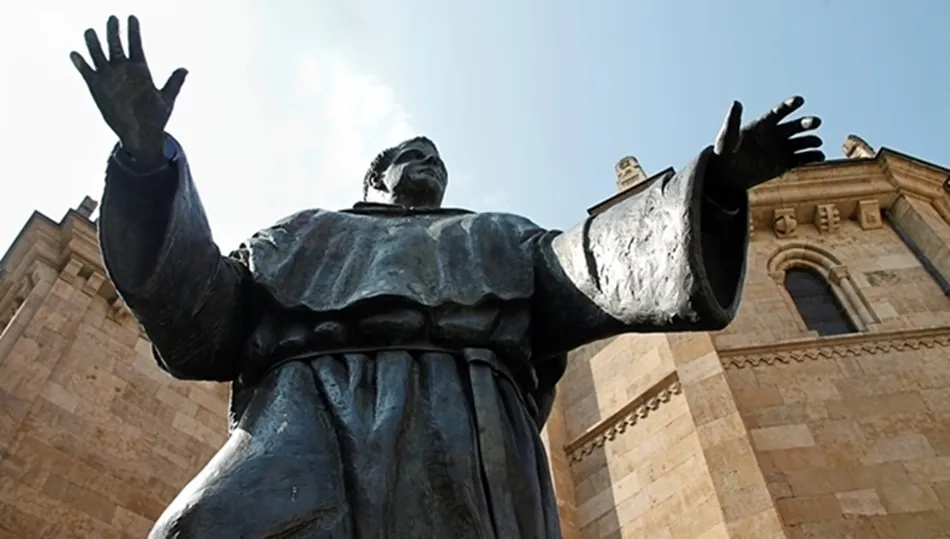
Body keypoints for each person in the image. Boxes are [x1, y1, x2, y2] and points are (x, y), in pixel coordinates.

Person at [70, 15, 825, 539]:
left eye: (437, 157)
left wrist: (718, 185)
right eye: (412, 155)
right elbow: (197, 314)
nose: (428, 165)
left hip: (467, 419)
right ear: (376, 174)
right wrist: (144, 162)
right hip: (305, 412)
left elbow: (600, 263)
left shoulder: (498, 235)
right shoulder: (302, 233)